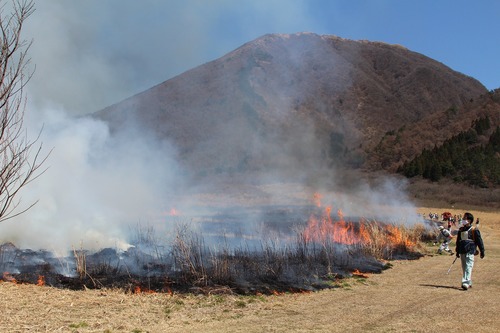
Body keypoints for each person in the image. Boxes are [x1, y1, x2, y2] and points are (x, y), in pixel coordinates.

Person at [455, 212, 485, 290]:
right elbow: (458, 241)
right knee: (464, 267)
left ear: (469, 220)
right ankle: (469, 282)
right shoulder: (461, 230)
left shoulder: (474, 230)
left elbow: (479, 241)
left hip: (470, 250)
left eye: (465, 218)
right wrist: (457, 251)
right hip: (462, 251)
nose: (463, 220)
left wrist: (482, 251)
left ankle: (465, 283)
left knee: (469, 266)